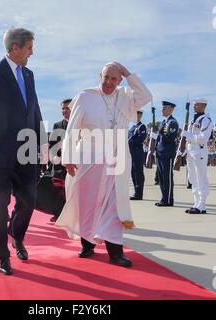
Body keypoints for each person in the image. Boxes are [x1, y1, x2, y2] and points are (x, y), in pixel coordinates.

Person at [56, 62, 152, 268]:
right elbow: (72, 129)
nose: (109, 82)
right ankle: (87, 244)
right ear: (99, 76)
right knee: (87, 203)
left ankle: (115, 252)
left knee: (114, 206)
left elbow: (146, 96)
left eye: (114, 79)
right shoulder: (85, 96)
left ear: (120, 80)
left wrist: (128, 74)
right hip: (89, 158)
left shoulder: (126, 96)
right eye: (106, 77)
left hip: (117, 160)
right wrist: (68, 158)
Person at [0, 28, 45, 276]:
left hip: (26, 149)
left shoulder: (29, 75)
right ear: (15, 48)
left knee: (29, 200)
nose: (31, 53)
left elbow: (34, 110)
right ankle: (2, 254)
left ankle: (16, 234)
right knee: (0, 204)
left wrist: (43, 142)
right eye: (29, 48)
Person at [180, 98, 214, 214]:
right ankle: (196, 202)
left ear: (203, 106)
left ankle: (202, 204)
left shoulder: (206, 120)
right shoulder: (192, 120)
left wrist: (188, 136)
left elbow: (203, 138)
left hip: (199, 151)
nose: (194, 106)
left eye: (196, 105)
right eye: (194, 105)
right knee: (192, 178)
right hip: (190, 151)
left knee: (201, 177)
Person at [48, 98, 72, 222]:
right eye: (62, 108)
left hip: (74, 163)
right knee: (58, 190)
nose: (64, 110)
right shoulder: (57, 125)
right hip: (59, 163)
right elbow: (52, 144)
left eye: (67, 108)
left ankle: (72, 215)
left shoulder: (79, 124)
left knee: (71, 190)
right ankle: (58, 214)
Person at [153, 101, 179, 207]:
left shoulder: (172, 122)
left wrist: (157, 136)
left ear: (171, 109)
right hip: (160, 152)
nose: (162, 110)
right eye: (162, 108)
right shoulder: (163, 122)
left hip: (167, 153)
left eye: (164, 108)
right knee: (161, 177)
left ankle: (168, 199)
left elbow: (169, 138)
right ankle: (164, 198)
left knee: (167, 177)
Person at [128, 110, 147, 200]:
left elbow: (140, 139)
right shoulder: (133, 127)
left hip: (137, 152)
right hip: (132, 152)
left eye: (137, 115)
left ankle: (139, 194)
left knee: (138, 173)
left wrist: (131, 140)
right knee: (133, 173)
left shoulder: (142, 126)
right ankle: (136, 192)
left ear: (140, 115)